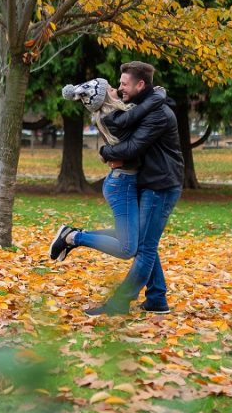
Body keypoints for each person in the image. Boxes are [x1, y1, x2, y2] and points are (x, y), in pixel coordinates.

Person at [88, 62, 185, 316]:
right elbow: (122, 123)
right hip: (150, 182)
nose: (120, 88)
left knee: (143, 248)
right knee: (144, 243)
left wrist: (104, 152)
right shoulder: (145, 107)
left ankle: (119, 303)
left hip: (161, 186)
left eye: (124, 84)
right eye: (119, 84)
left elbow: (132, 147)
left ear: (140, 84)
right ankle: (156, 298)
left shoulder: (157, 114)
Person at [48, 77, 167, 265]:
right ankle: (73, 237)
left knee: (128, 236)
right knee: (127, 248)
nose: (117, 90)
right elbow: (138, 125)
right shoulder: (113, 119)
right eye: (111, 89)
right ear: (106, 99)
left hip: (122, 181)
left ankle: (72, 234)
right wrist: (156, 97)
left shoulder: (113, 117)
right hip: (122, 184)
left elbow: (136, 114)